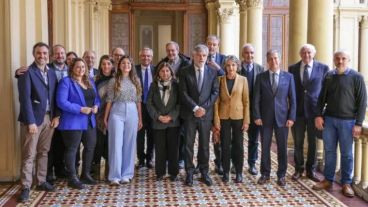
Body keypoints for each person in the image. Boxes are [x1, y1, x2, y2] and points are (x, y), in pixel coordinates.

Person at [312, 50, 367, 198]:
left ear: (349, 60)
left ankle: (346, 183)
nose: (340, 61)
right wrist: (318, 115)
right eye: (337, 58)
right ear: (334, 60)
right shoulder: (329, 76)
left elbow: (362, 102)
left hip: (348, 122)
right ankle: (328, 180)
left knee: (347, 154)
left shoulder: (357, 77)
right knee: (329, 151)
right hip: (329, 120)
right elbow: (321, 98)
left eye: (343, 58)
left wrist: (359, 123)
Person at [17, 42, 59, 202]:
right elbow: (24, 99)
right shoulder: (27, 73)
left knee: (43, 152)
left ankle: (41, 181)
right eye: (39, 53)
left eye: (44, 53)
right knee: (29, 154)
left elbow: (55, 96)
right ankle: (26, 187)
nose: (42, 56)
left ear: (49, 55)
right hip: (33, 120)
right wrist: (30, 121)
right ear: (34, 54)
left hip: (49, 119)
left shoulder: (52, 73)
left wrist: (56, 116)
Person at [253, 49, 296, 187]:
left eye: (276, 58)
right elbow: (256, 99)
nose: (274, 61)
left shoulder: (289, 77)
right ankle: (265, 173)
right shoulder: (260, 77)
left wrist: (292, 117)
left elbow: (293, 99)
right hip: (264, 119)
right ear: (267, 61)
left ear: (280, 59)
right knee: (265, 147)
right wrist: (257, 116)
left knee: (282, 148)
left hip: (283, 119)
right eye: (271, 59)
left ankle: (281, 175)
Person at [57, 58, 100, 189]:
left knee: (90, 146)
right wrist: (80, 109)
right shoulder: (66, 82)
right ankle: (72, 178)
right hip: (73, 121)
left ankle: (85, 175)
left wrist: (97, 106)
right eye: (78, 67)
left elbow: (96, 98)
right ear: (72, 68)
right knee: (72, 149)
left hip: (89, 120)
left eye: (83, 67)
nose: (81, 69)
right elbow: (61, 102)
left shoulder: (90, 82)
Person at [179, 44, 219, 187]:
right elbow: (182, 93)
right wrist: (195, 107)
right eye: (199, 55)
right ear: (193, 55)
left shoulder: (213, 72)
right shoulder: (184, 72)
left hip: (205, 115)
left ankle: (204, 172)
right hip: (190, 114)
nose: (201, 58)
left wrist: (204, 108)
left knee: (204, 145)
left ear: (207, 57)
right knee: (188, 144)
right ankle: (189, 172)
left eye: (204, 55)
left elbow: (215, 93)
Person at [288, 44, 329, 182]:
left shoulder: (323, 68)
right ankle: (298, 169)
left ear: (314, 53)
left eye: (309, 52)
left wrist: (322, 114)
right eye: (304, 52)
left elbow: (325, 92)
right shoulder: (292, 68)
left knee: (313, 143)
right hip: (297, 112)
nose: (306, 55)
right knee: (298, 142)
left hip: (314, 113)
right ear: (300, 54)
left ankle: (311, 170)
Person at [104, 55, 143, 185]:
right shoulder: (113, 80)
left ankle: (126, 174)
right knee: (115, 143)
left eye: (128, 63)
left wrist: (140, 118)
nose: (126, 65)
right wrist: (105, 117)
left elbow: (139, 101)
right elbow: (109, 100)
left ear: (131, 66)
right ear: (119, 65)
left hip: (132, 111)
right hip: (117, 111)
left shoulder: (136, 80)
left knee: (130, 143)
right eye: (123, 63)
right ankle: (115, 176)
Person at [213, 55, 249, 183]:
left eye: (233, 65)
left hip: (238, 117)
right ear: (225, 67)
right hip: (223, 117)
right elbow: (215, 102)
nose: (231, 68)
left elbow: (246, 101)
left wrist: (246, 120)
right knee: (225, 145)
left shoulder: (243, 80)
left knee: (238, 145)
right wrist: (216, 120)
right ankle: (226, 172)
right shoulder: (219, 80)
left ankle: (239, 172)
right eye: (228, 65)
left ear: (237, 66)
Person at [157, 41, 191, 169]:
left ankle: (180, 158)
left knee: (181, 133)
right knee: (167, 133)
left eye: (173, 50)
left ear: (178, 50)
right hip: (167, 102)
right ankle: (167, 159)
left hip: (182, 102)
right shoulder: (162, 64)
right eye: (168, 50)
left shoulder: (186, 63)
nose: (171, 53)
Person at [146, 62, 180, 181]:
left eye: (167, 71)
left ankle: (173, 172)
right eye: (162, 71)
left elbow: (179, 104)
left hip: (173, 122)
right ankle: (160, 172)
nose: (165, 73)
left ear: (171, 72)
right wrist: (158, 116)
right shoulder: (153, 86)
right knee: (160, 148)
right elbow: (149, 104)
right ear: (158, 73)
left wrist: (171, 116)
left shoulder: (176, 85)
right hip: (158, 122)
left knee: (173, 148)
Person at [239, 43, 264, 176]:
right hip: (239, 110)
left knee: (254, 139)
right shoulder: (236, 68)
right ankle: (236, 163)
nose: (250, 55)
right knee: (236, 139)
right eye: (247, 53)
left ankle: (252, 164)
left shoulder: (260, 68)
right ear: (242, 54)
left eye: (252, 53)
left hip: (255, 111)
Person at [45, 45, 69, 183]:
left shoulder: (70, 70)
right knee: (50, 144)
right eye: (57, 53)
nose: (60, 55)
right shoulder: (47, 69)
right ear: (52, 56)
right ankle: (48, 173)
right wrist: (18, 73)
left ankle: (60, 170)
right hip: (52, 112)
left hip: (67, 112)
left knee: (61, 143)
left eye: (62, 53)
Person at [92, 55, 115, 180]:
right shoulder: (94, 79)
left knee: (110, 142)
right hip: (97, 114)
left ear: (112, 66)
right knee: (98, 143)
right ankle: (96, 170)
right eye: (103, 64)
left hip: (113, 114)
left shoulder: (116, 79)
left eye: (108, 64)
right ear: (100, 66)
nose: (106, 66)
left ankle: (109, 169)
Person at [206, 35, 226, 175]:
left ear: (218, 45)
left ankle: (219, 163)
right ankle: (202, 165)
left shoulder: (224, 59)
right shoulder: (201, 56)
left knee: (218, 133)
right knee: (203, 136)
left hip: (220, 102)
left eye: (214, 44)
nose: (211, 47)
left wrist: (218, 68)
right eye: (209, 44)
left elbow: (229, 75)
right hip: (205, 102)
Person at [136, 47, 155, 169]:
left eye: (148, 56)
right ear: (140, 56)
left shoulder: (156, 69)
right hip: (138, 106)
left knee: (152, 134)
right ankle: (141, 159)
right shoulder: (134, 70)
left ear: (151, 58)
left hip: (153, 107)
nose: (145, 58)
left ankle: (149, 159)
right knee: (140, 134)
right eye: (143, 55)